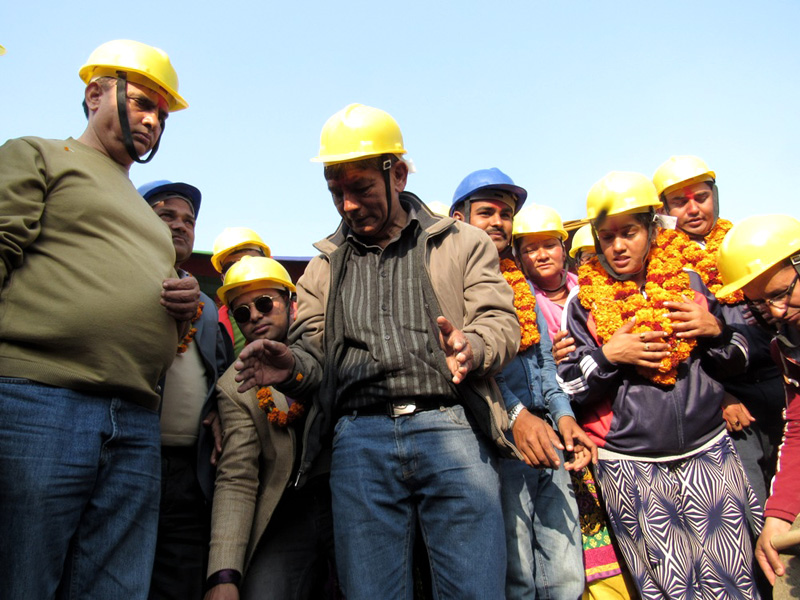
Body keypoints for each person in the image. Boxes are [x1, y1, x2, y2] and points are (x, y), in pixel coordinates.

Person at [234, 103, 521, 600]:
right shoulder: (323, 267)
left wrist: (472, 347)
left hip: (451, 429)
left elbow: (500, 321)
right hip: (358, 445)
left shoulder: (462, 243)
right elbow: (314, 359)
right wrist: (292, 367)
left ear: (399, 174)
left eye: (361, 188)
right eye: (335, 192)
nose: (347, 204)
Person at [0, 40, 197, 599]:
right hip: (38, 399)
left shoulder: (150, 218)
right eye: (142, 103)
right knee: (22, 581)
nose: (153, 120)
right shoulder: (38, 154)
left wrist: (183, 310)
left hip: (136, 420)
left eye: (161, 114)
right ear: (94, 95)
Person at [557, 171, 762, 599]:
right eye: (607, 236)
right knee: (666, 588)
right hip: (631, 467)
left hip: (708, 453)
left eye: (629, 232)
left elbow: (742, 356)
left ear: (652, 229)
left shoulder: (690, 281)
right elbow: (568, 386)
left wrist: (715, 331)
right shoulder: (582, 303)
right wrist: (609, 356)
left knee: (734, 581)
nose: (618, 246)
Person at [450, 168, 592, 599]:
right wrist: (518, 416)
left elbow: (545, 361)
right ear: (459, 219)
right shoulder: (451, 283)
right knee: (518, 577)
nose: (498, 222)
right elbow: (472, 368)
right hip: (498, 441)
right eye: (486, 212)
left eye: (506, 214)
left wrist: (563, 416)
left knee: (567, 575)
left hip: (547, 436)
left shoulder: (520, 284)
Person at [515, 205, 636, 599]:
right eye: (530, 249)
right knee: (579, 540)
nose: (542, 255)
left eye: (549, 244)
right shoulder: (518, 299)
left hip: (610, 423)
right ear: (519, 256)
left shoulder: (592, 288)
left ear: (563, 247)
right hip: (560, 424)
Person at [653, 155, 784, 507]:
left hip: (779, 381)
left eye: (702, 197)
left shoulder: (744, 244)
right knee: (756, 508)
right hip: (730, 402)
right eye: (680, 202)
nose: (694, 209)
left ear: (716, 196)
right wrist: (720, 396)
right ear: (663, 210)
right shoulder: (658, 266)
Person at [205, 255, 338, 600]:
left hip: (347, 498)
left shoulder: (331, 344)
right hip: (286, 512)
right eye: (242, 312)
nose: (255, 316)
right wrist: (223, 575)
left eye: (264, 303)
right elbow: (237, 478)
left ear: (292, 302)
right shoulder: (235, 386)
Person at [138, 180, 233, 600]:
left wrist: (219, 410)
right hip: (129, 459)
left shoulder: (206, 306)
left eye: (189, 221)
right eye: (166, 216)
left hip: (190, 471)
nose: (180, 226)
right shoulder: (121, 282)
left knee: (180, 578)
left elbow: (222, 375)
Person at [716, 214, 800, 598]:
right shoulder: (787, 347)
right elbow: (797, 429)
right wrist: (779, 515)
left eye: (782, 293)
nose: (777, 311)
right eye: (764, 302)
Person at [210, 228, 272, 353]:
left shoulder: (301, 313)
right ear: (223, 278)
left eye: (252, 260)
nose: (243, 268)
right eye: (231, 266)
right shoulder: (213, 326)